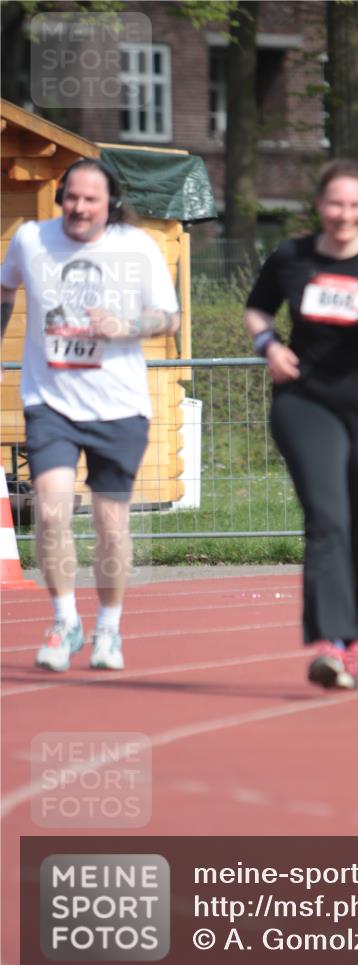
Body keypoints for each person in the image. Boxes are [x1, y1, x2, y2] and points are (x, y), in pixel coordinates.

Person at [244, 159, 358, 691]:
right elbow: (257, 310)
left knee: (355, 528)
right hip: (305, 402)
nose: (344, 215)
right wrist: (269, 347)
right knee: (327, 518)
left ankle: (347, 646)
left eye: (354, 205)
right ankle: (329, 641)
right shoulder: (293, 257)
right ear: (320, 206)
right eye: (335, 204)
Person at [0, 158, 179, 672]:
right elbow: (5, 288)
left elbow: (168, 320)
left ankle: (108, 628)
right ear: (61, 197)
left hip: (119, 408)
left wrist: (124, 325)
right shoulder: (31, 241)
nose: (79, 207)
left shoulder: (137, 248)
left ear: (111, 204)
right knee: (52, 510)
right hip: (49, 401)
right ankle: (63, 621)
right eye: (72, 196)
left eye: (91, 200)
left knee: (110, 524)